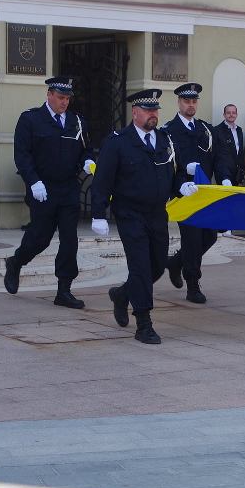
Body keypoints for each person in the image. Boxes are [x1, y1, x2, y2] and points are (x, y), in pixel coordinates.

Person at [90, 89, 192, 344]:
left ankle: (122, 294)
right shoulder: (118, 142)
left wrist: (181, 184)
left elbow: (176, 170)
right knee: (140, 267)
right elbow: (102, 180)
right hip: (130, 213)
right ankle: (144, 324)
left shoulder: (165, 140)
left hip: (157, 213)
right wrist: (98, 214)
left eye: (155, 110)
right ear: (135, 112)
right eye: (147, 110)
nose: (153, 114)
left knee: (156, 266)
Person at [4, 76, 95, 309]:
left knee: (69, 239)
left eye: (68, 98)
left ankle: (64, 290)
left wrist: (88, 161)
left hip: (69, 188)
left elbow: (86, 149)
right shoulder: (31, 119)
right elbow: (22, 155)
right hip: (42, 189)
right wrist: (33, 181)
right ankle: (16, 261)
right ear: (49, 95)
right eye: (61, 97)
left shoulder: (77, 121)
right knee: (40, 238)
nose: (65, 102)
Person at [163, 83, 234, 304]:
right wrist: (183, 173)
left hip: (204, 194)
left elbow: (219, 157)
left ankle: (176, 262)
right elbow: (166, 164)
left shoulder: (206, 129)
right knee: (192, 239)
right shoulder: (168, 130)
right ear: (179, 102)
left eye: (194, 101)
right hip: (183, 194)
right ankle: (192, 284)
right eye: (187, 101)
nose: (191, 105)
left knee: (210, 236)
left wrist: (225, 177)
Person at [216, 104, 245, 186]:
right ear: (224, 115)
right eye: (228, 113)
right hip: (223, 175)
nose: (231, 115)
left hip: (237, 174)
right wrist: (224, 176)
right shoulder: (217, 130)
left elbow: (240, 152)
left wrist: (242, 172)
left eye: (233, 113)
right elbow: (217, 156)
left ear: (236, 114)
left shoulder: (239, 130)